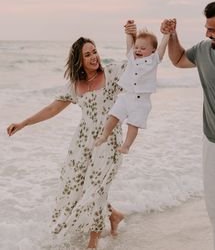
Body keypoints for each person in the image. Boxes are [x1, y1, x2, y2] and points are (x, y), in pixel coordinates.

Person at [6, 25, 136, 249]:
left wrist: (131, 36)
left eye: (94, 51)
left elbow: (134, 63)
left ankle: (93, 242)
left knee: (96, 187)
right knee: (74, 186)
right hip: (82, 143)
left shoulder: (112, 73)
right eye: (87, 54)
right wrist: (24, 123)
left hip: (108, 140)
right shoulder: (75, 86)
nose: (94, 57)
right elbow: (52, 109)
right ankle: (113, 215)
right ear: (79, 60)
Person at [161, 0, 215, 250]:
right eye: (206, 28)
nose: (207, 34)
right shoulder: (205, 50)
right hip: (213, 146)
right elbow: (179, 58)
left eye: (212, 30)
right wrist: (172, 35)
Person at [95, 19, 175, 154]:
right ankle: (104, 135)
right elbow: (129, 43)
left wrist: (166, 35)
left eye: (143, 48)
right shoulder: (132, 57)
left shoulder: (154, 60)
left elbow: (162, 47)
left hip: (141, 101)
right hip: (126, 97)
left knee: (133, 124)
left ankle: (126, 145)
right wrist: (129, 32)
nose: (138, 50)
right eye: (137, 47)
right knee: (113, 116)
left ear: (153, 50)